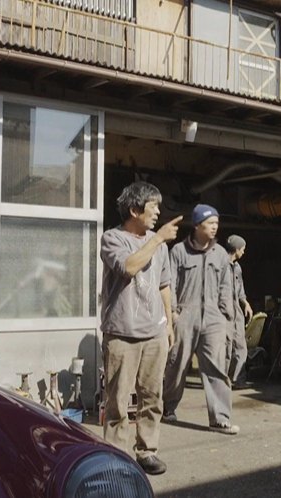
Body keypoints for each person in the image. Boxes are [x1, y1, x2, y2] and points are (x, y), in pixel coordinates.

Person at [99, 181, 181, 475]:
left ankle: (147, 451)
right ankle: (116, 457)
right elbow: (129, 268)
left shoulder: (159, 246)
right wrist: (158, 239)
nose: (159, 212)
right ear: (134, 209)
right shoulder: (113, 239)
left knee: (152, 398)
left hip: (155, 333)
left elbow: (164, 285)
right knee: (118, 402)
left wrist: (169, 324)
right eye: (153, 206)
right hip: (121, 334)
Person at [163, 204, 238, 435]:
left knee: (216, 368)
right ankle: (168, 408)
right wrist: (173, 313)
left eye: (217, 223)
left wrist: (226, 314)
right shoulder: (178, 252)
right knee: (177, 364)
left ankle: (220, 418)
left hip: (214, 316)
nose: (215, 227)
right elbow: (170, 283)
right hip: (186, 314)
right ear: (197, 225)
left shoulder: (221, 254)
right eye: (210, 223)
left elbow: (227, 285)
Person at [225, 234, 253, 389]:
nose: (244, 252)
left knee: (240, 345)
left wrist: (245, 303)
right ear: (236, 249)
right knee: (226, 347)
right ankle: (223, 380)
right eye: (242, 249)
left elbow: (240, 288)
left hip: (236, 308)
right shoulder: (220, 266)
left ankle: (239, 379)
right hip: (223, 310)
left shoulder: (237, 267)